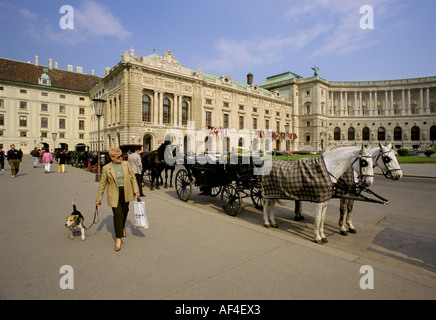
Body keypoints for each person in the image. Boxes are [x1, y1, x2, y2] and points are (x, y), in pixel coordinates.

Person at [96, 147, 140, 252]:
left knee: (125, 212)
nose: (121, 158)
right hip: (114, 194)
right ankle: (118, 238)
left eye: (121, 156)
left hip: (126, 192)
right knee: (117, 215)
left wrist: (136, 190)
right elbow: (102, 184)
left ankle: (122, 227)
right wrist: (99, 199)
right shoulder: (107, 168)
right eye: (118, 157)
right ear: (112, 158)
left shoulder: (126, 164)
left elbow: (133, 177)